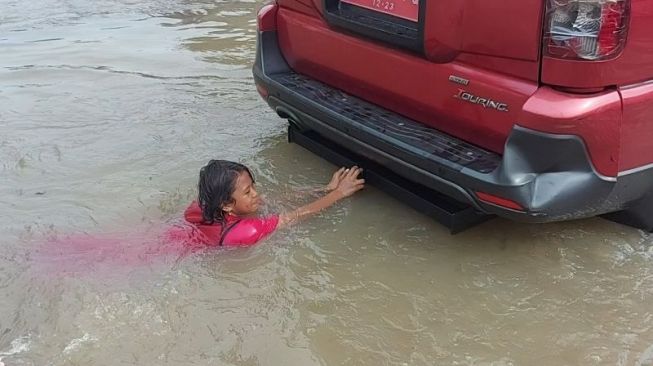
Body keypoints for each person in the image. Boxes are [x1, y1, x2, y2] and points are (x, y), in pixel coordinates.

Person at [181, 160, 365, 247]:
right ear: (226, 205)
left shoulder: (204, 204)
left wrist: (324, 189)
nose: (256, 193)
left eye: (253, 186)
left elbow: (269, 201)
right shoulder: (245, 231)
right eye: (248, 192)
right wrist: (340, 193)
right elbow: (294, 217)